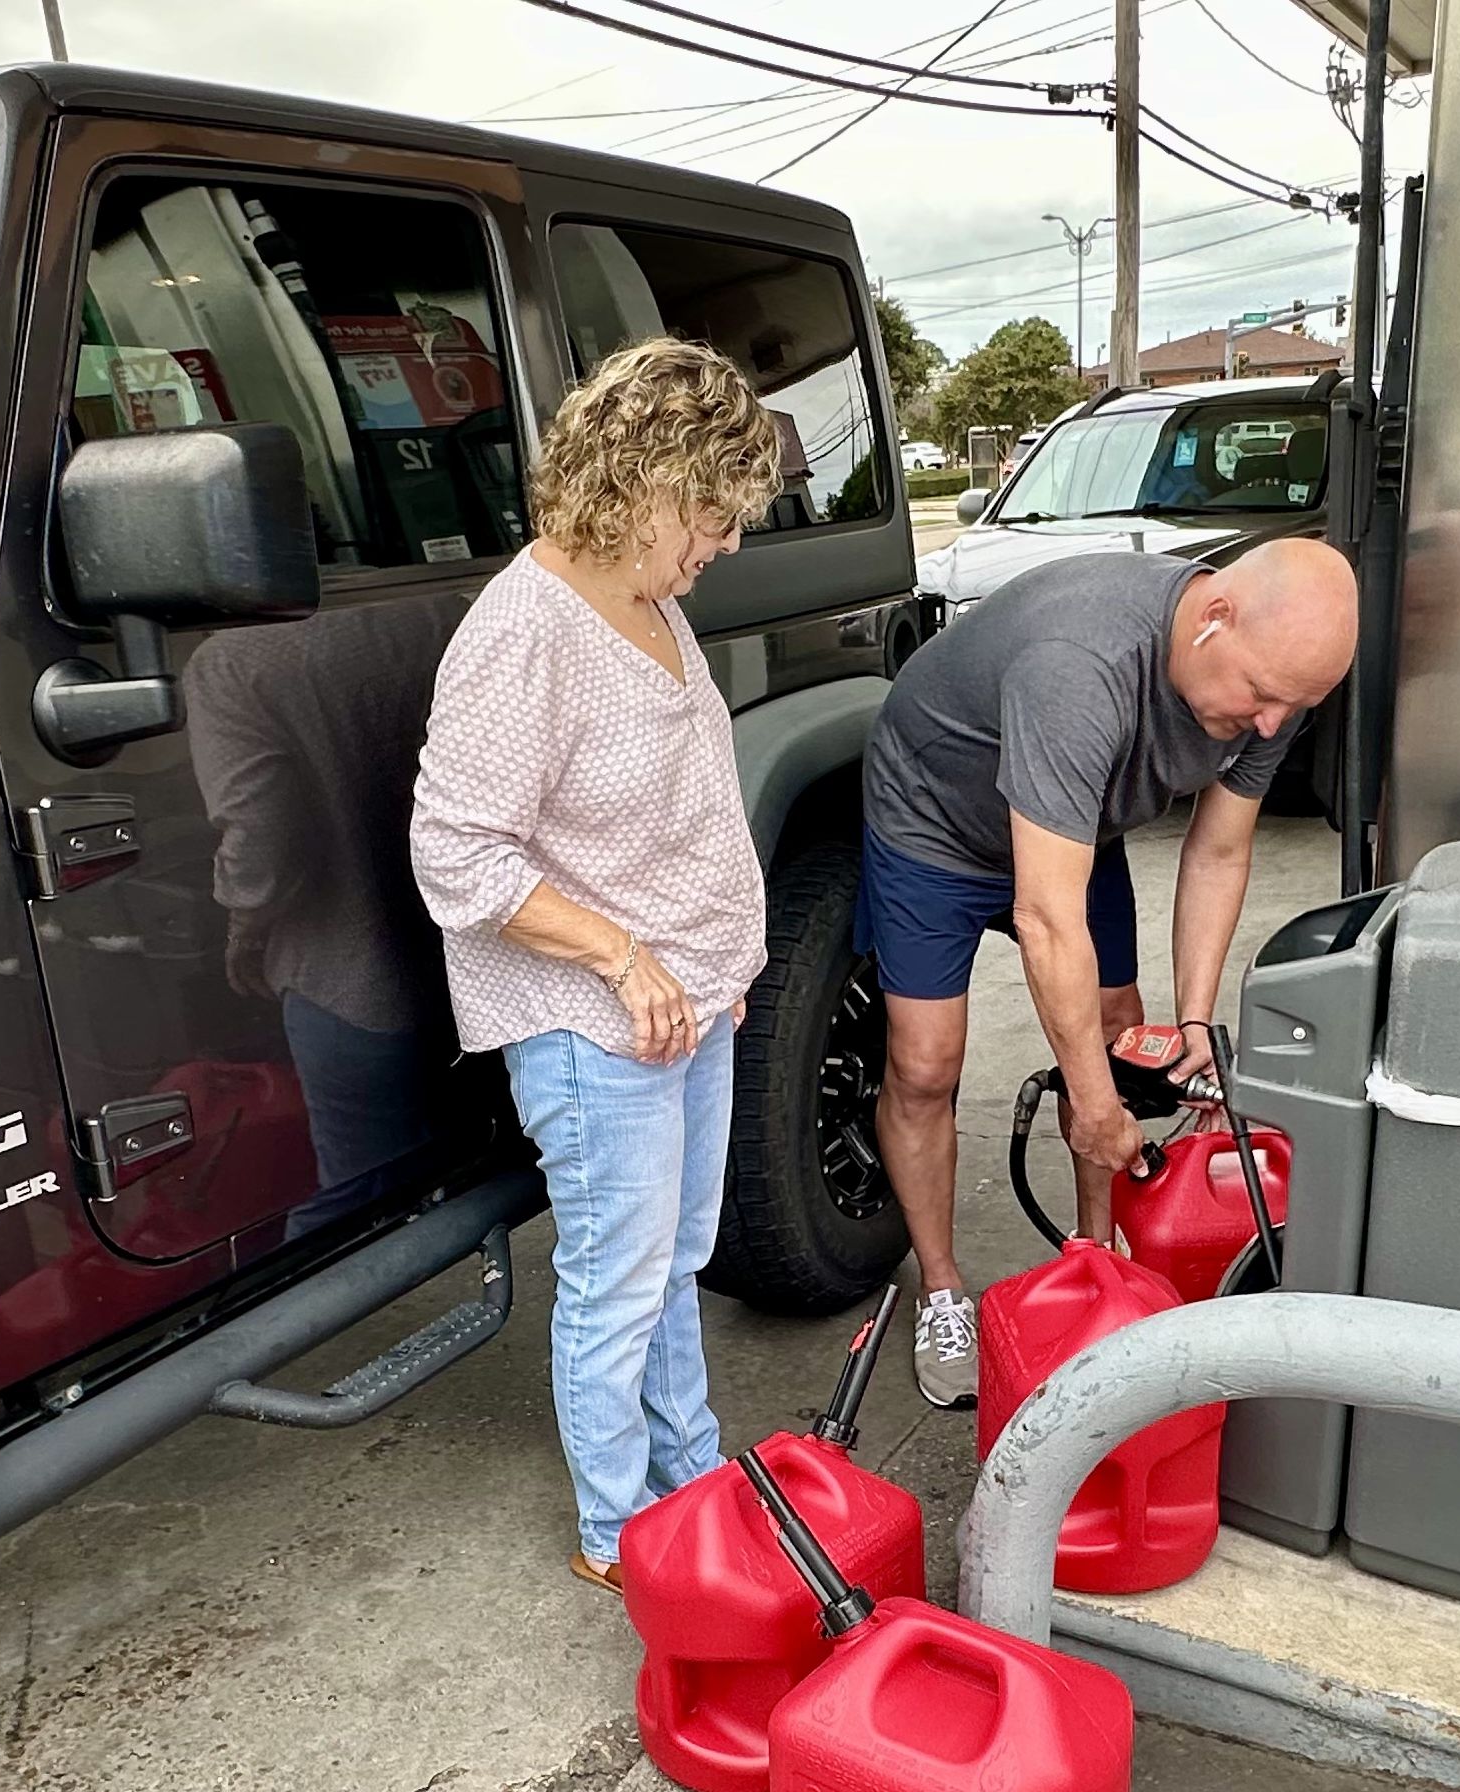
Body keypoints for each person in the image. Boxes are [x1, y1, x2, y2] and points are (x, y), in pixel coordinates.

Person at [411, 338, 783, 1592]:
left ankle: (696, 1477)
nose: (726, 544)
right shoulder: (527, 632)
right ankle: (620, 1531)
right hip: (594, 1022)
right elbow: (457, 853)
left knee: (675, 1263)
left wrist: (712, 956)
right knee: (618, 1283)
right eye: (716, 513)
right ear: (647, 482)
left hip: (692, 1002)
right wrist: (625, 959)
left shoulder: (649, 595)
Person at [860, 539, 1362, 1408]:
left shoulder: (1269, 684)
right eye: (1263, 697)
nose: (1273, 724)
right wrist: (1093, 1106)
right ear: (1213, 620)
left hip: (1073, 824)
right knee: (926, 1062)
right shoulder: (1081, 665)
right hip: (934, 824)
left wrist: (1196, 1022)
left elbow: (1218, 849)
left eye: (1297, 706)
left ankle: (1096, 1261)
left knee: (1116, 1031)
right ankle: (942, 1289)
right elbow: (1046, 917)